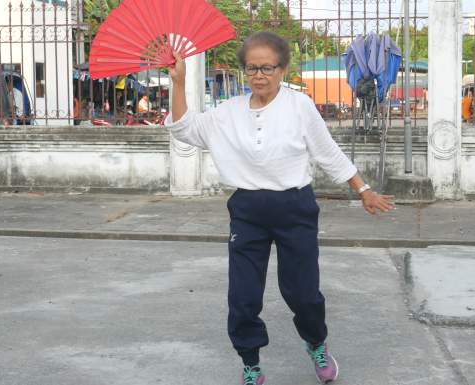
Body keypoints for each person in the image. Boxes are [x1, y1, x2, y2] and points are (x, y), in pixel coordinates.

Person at [166, 31, 395, 385]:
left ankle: (316, 342)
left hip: (295, 208)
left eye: (267, 67)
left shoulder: (298, 106)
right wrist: (178, 83)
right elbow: (184, 128)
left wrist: (362, 188)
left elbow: (327, 151)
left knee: (302, 293)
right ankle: (250, 362)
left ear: (282, 69)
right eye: (252, 68)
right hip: (247, 210)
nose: (259, 75)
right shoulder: (228, 112)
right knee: (243, 295)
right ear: (245, 72)